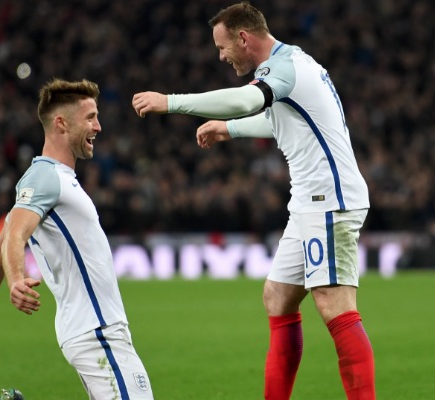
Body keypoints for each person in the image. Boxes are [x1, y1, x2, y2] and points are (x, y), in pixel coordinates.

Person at [132, 2, 375, 399]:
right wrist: (230, 129)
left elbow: (250, 101)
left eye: (222, 47)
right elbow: (278, 117)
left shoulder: (284, 69)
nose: (221, 55)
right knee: (278, 297)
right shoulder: (291, 65)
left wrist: (171, 101)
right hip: (309, 203)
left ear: (244, 38)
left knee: (335, 305)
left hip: (329, 200)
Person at [0, 78, 153, 399]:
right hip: (97, 332)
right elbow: (15, 237)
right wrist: (17, 280)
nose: (99, 126)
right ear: (61, 123)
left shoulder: (49, 182)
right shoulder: (44, 177)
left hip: (92, 331)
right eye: (90, 117)